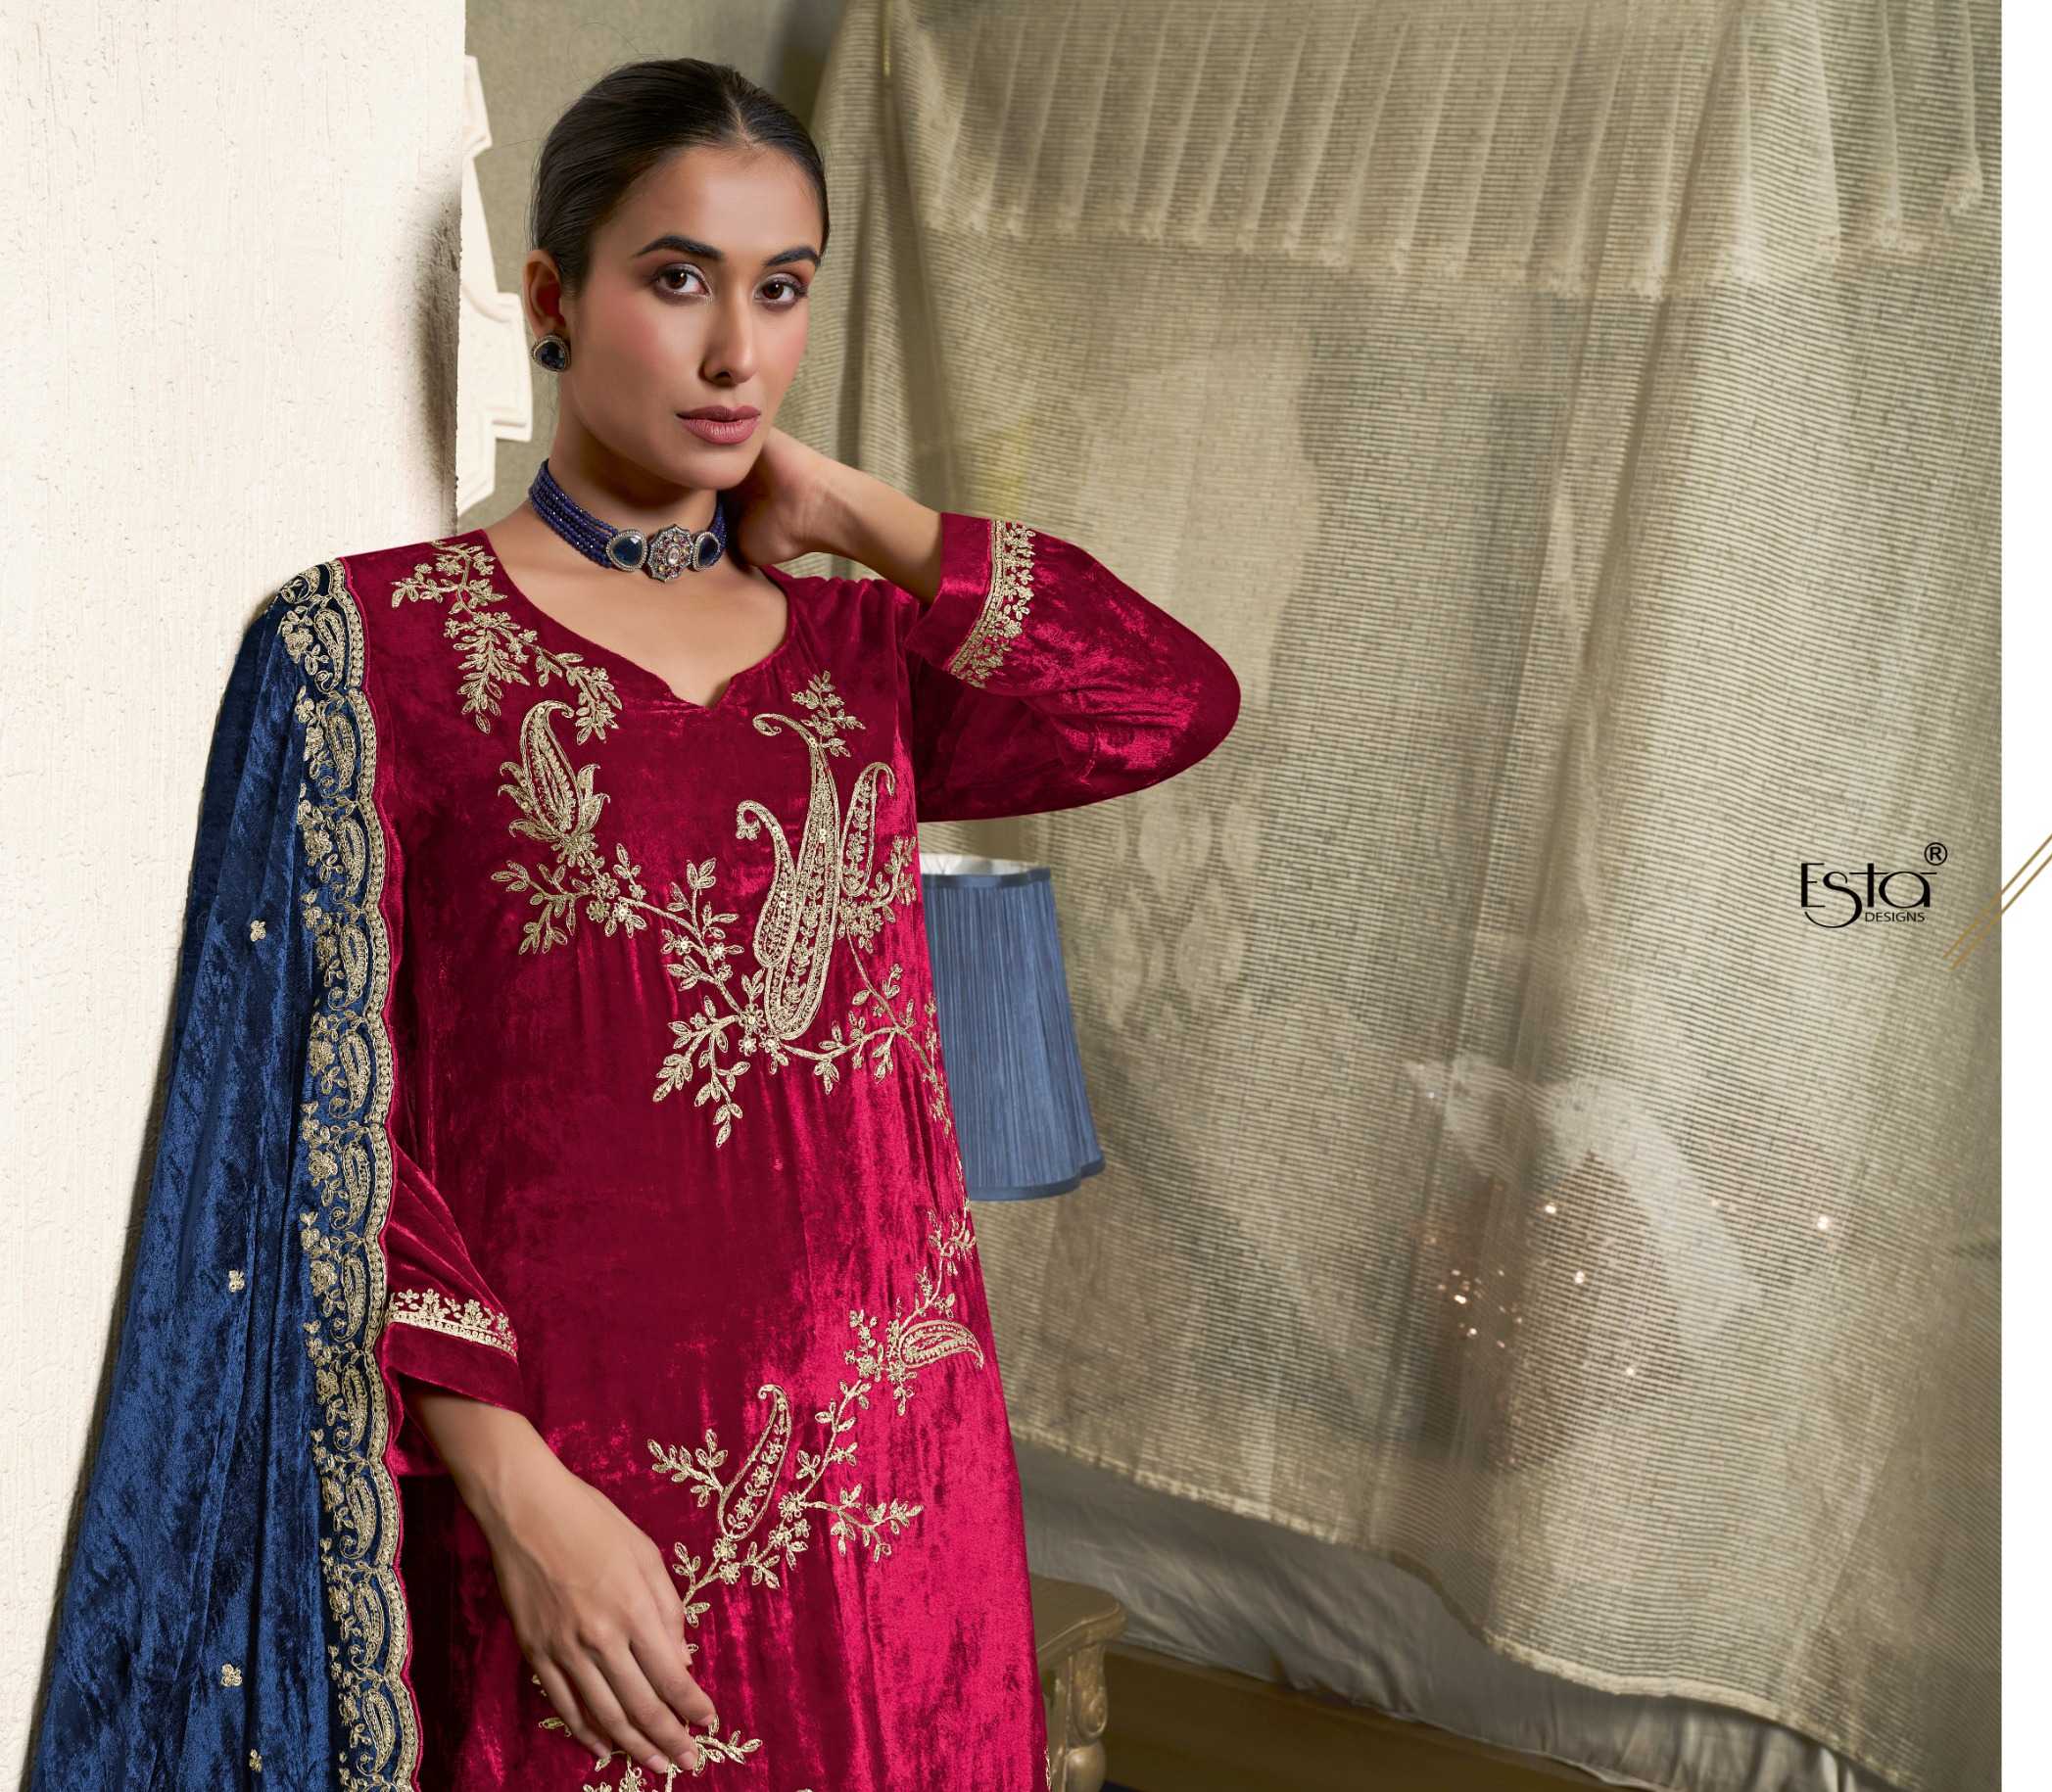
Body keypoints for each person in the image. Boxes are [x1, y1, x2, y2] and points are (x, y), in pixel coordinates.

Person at [27, 56, 1239, 1792]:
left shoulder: (861, 661)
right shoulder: (373, 654)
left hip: (905, 1534)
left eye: (783, 288)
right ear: (551, 297)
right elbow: (315, 1114)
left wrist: (860, 517)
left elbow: (1168, 700)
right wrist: (515, 1488)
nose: (738, 352)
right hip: (581, 1522)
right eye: (680, 279)